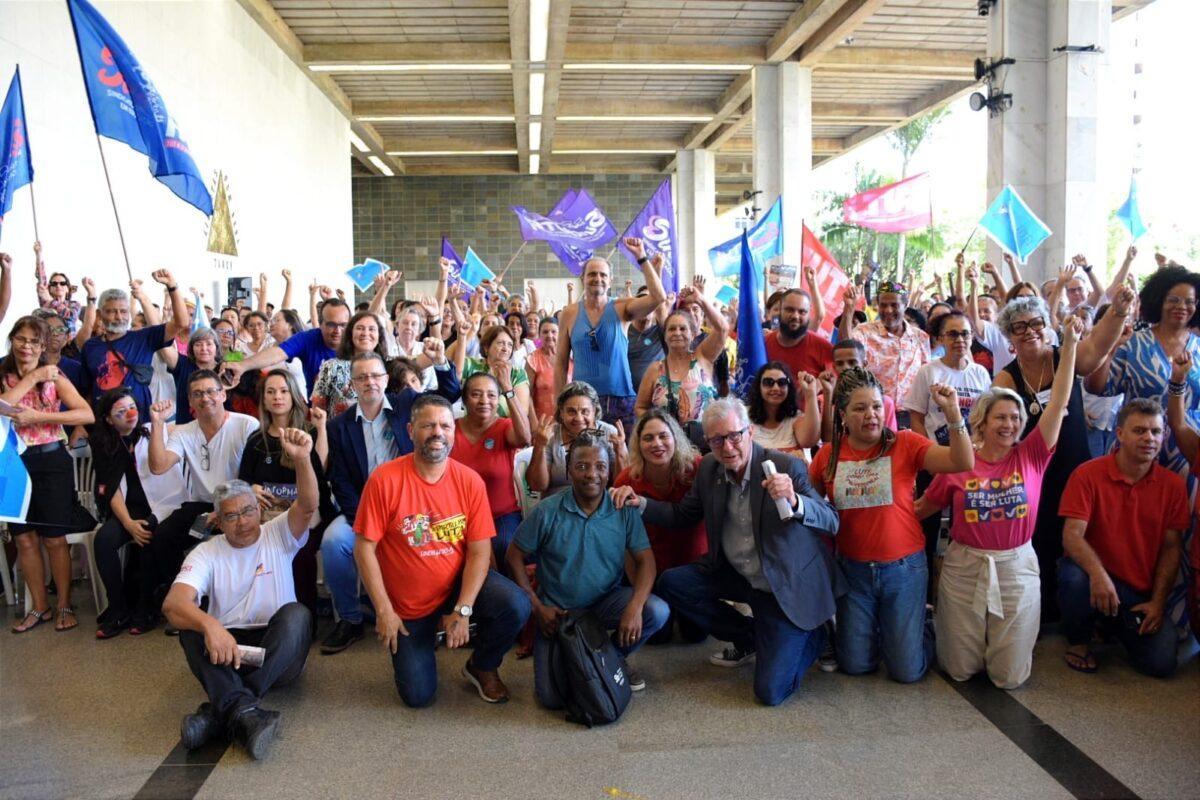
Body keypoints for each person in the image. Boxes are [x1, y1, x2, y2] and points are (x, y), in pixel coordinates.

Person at [610, 398, 840, 706]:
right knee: (673, 582)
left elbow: (830, 520)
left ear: (750, 432)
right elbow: (683, 515)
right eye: (717, 440)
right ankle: (752, 638)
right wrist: (642, 504)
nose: (728, 447)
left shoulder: (785, 466)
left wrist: (796, 502)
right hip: (736, 572)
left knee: (770, 692)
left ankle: (816, 636)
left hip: (781, 585)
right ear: (707, 442)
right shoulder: (708, 468)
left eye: (734, 436)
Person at [914, 317, 1083, 688]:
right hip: (963, 565)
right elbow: (921, 509)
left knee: (1009, 678)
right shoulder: (960, 462)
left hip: (1015, 566)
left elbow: (1059, 399)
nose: (1009, 424)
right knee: (959, 671)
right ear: (983, 422)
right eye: (1000, 418)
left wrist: (1069, 343)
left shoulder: (1033, 454)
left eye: (1015, 417)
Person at [353, 395, 532, 707]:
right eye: (428, 425)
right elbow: (364, 548)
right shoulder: (384, 479)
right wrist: (383, 611)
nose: (438, 432)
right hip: (408, 603)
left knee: (515, 604)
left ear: (454, 432)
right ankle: (426, 635)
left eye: (445, 426)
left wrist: (463, 610)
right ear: (410, 430)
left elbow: (479, 551)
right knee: (418, 697)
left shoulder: (469, 481)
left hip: (455, 585)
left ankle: (482, 664)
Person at [162, 429, 319, 760]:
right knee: (189, 628)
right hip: (229, 650)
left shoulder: (278, 534)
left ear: (260, 510)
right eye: (231, 515)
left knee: (297, 615)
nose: (243, 521)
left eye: (248, 511)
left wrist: (303, 459)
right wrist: (210, 626)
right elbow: (173, 604)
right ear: (218, 522)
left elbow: (308, 505)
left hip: (278, 652)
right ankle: (245, 711)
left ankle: (222, 710)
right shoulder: (206, 552)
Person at [809, 368, 974, 683]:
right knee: (855, 666)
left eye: (875, 406)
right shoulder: (828, 456)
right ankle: (889, 631)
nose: (870, 414)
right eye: (859, 408)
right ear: (843, 414)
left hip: (904, 569)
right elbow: (810, 505)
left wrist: (953, 412)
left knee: (906, 672)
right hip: (853, 572)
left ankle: (919, 626)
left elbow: (962, 462)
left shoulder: (906, 443)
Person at [993, 288, 1134, 619]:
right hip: (1032, 474)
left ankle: (1086, 614)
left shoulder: (1064, 356)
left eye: (1036, 323)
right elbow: (999, 426)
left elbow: (1098, 346)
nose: (1030, 331)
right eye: (1019, 327)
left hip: (1076, 469)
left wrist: (1118, 311)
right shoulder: (1006, 377)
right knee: (1039, 539)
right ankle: (1040, 614)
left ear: (1047, 324)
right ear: (1010, 336)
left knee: (1082, 538)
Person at [508, 429, 668, 702]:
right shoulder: (548, 510)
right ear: (569, 471)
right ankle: (587, 659)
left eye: (600, 467)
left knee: (657, 610)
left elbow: (646, 562)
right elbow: (514, 556)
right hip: (558, 613)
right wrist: (538, 607)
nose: (592, 474)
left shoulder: (622, 508)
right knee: (550, 699)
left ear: (609, 472)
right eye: (581, 466)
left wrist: (634, 608)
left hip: (604, 603)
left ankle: (610, 656)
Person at [319, 348, 460, 655]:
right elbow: (340, 480)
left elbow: (449, 393)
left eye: (375, 375)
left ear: (385, 379)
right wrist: (363, 520)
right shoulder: (338, 426)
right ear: (352, 384)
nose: (370, 382)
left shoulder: (408, 404)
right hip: (363, 509)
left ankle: (430, 613)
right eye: (362, 377)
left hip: (414, 505)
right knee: (333, 541)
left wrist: (442, 362)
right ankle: (350, 619)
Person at [1057, 399, 1189, 677]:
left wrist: (1158, 602)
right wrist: (1099, 575)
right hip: (1092, 580)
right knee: (1073, 578)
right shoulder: (1087, 474)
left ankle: (1109, 626)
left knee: (1162, 664)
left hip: (1135, 592)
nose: (1148, 439)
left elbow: (1171, 548)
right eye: (1139, 431)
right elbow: (1071, 537)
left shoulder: (1173, 485)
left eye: (1155, 432)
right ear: (1119, 434)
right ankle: (1079, 641)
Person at [3, 317, 96, 633]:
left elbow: (86, 413)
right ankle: (39, 608)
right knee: (25, 539)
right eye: (21, 339)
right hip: (13, 464)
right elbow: (3, 407)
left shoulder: (55, 376)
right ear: (12, 340)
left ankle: (64, 605)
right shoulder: (4, 373)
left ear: (43, 346)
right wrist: (32, 379)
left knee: (55, 539)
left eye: (34, 342)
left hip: (52, 460)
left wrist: (41, 416)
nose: (26, 347)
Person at [147, 371, 261, 604]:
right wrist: (158, 424)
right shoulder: (184, 432)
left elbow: (255, 478)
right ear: (190, 401)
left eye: (211, 391)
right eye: (197, 394)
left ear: (222, 394)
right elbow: (158, 466)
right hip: (201, 506)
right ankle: (185, 602)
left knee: (230, 537)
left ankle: (227, 602)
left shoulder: (246, 425)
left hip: (238, 503)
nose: (205, 398)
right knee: (163, 537)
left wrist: (221, 512)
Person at [1087, 265, 1200, 481]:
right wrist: (1110, 351)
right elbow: (1097, 387)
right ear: (1159, 300)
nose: (1182, 306)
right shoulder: (1134, 343)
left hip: (1187, 450)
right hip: (1136, 448)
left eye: (1189, 301)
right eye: (1173, 299)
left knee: (1183, 511)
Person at [91, 388, 188, 638]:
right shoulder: (104, 445)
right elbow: (112, 489)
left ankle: (145, 609)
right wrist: (127, 523)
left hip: (162, 506)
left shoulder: (152, 430)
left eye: (132, 407)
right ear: (109, 419)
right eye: (120, 412)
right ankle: (118, 608)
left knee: (148, 536)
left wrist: (163, 418)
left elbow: (185, 429)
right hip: (127, 509)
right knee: (103, 540)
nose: (129, 414)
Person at [238, 368, 332, 615]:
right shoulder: (256, 440)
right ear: (264, 400)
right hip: (268, 518)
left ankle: (304, 619)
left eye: (283, 391)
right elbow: (243, 481)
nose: (277, 397)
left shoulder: (309, 433)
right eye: (270, 392)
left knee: (300, 554)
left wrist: (321, 430)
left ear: (293, 396)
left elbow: (321, 474)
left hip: (306, 517)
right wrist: (252, 489)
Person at [613, 410, 707, 644]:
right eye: (648, 438)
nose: (657, 444)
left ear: (675, 438)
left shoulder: (697, 469)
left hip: (693, 567)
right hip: (652, 569)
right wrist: (639, 595)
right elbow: (625, 545)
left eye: (663, 436)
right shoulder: (626, 480)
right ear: (638, 444)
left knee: (696, 636)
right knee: (658, 636)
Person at [554, 238, 667, 432]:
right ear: (583, 278)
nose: (597, 278)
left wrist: (642, 257)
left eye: (602, 275)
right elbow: (561, 363)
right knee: (586, 458)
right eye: (592, 274)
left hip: (621, 401)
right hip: (582, 404)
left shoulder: (622, 307)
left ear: (610, 280)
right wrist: (559, 405)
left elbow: (658, 297)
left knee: (622, 458)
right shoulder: (569, 313)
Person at [82, 270, 189, 417]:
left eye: (123, 311)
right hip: (103, 426)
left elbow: (181, 322)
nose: (119, 317)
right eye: (112, 312)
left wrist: (172, 286)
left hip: (139, 424)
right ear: (100, 315)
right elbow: (88, 389)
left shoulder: (143, 338)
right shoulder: (90, 347)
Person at [451, 371, 532, 566]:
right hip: (459, 517)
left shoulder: (504, 427)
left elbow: (525, 438)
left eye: (491, 395)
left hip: (501, 516)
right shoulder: (450, 429)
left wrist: (508, 390)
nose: (484, 401)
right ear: (464, 399)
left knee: (505, 547)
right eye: (476, 394)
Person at [634, 283, 726, 433]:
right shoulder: (655, 369)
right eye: (671, 329)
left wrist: (700, 299)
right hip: (668, 446)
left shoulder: (703, 357)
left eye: (683, 328)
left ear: (693, 334)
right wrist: (657, 428)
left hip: (707, 442)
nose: (677, 333)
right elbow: (640, 407)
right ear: (665, 335)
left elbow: (722, 329)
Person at [839, 281, 929, 424]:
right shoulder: (864, 331)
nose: (888, 310)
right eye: (883, 305)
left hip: (911, 415)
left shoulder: (921, 337)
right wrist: (849, 309)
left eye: (894, 305)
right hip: (874, 414)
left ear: (905, 306)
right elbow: (845, 348)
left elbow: (926, 375)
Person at [223, 297, 350, 396]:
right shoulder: (240, 346)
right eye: (331, 325)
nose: (337, 330)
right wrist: (241, 365)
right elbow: (277, 353)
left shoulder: (357, 340)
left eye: (343, 325)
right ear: (320, 324)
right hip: (316, 414)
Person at [525, 381, 628, 497]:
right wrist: (539, 446)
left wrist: (620, 452)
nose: (579, 418)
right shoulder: (549, 435)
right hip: (557, 506)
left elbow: (621, 486)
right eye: (571, 411)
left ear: (594, 411)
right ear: (561, 412)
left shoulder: (610, 433)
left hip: (600, 505)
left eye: (585, 411)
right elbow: (537, 486)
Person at [905, 311, 991, 444]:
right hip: (937, 452)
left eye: (965, 334)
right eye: (953, 334)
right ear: (940, 338)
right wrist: (928, 451)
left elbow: (987, 416)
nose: (960, 340)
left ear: (972, 337)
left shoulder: (980, 373)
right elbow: (916, 419)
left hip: (974, 450)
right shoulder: (927, 372)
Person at [311, 310, 389, 417]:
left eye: (372, 329)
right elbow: (317, 408)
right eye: (360, 328)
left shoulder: (389, 366)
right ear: (350, 333)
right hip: (339, 432)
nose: (365, 333)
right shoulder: (331, 367)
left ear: (379, 335)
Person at [818, 339, 897, 442]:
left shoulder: (884, 402)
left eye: (852, 362)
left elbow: (890, 441)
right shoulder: (822, 400)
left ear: (864, 364)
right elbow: (828, 440)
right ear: (834, 367)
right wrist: (828, 393)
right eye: (840, 363)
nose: (846, 367)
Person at [748, 362, 821, 459]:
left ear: (788, 388)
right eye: (768, 382)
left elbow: (809, 441)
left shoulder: (795, 417)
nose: (775, 388)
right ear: (759, 387)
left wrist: (810, 394)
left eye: (782, 382)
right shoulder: (743, 416)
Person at [160, 327, 229, 425]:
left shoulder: (225, 370)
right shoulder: (182, 364)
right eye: (198, 344)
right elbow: (162, 342)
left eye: (209, 344)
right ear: (191, 348)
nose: (204, 348)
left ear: (216, 347)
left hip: (220, 430)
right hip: (186, 431)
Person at [764, 289, 834, 380]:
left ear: (809, 314)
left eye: (802, 312)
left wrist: (818, 387)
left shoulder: (824, 348)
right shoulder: (763, 344)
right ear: (780, 311)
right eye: (789, 310)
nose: (795, 316)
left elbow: (835, 382)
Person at [525, 317, 569, 420]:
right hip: (543, 421)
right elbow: (527, 395)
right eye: (545, 332)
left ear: (560, 334)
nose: (549, 335)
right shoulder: (533, 360)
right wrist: (534, 423)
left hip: (569, 420)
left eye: (554, 332)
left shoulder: (570, 357)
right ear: (539, 335)